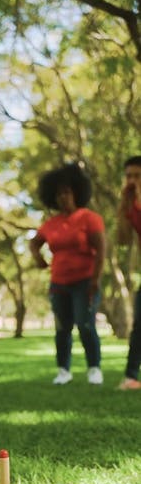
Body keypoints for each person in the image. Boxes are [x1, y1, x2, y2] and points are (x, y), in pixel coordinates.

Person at [30, 163, 106, 386]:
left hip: (85, 281)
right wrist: (39, 259)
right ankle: (63, 370)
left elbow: (101, 250)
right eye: (59, 194)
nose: (63, 197)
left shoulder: (89, 218)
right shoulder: (51, 224)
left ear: (76, 192)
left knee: (85, 324)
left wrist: (95, 279)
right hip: (59, 283)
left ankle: (94, 368)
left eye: (67, 192)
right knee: (62, 328)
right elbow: (34, 243)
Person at [117, 155, 141, 391]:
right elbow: (123, 239)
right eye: (129, 176)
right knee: (139, 324)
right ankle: (131, 378)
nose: (132, 181)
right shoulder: (130, 205)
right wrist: (123, 208)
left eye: (137, 175)